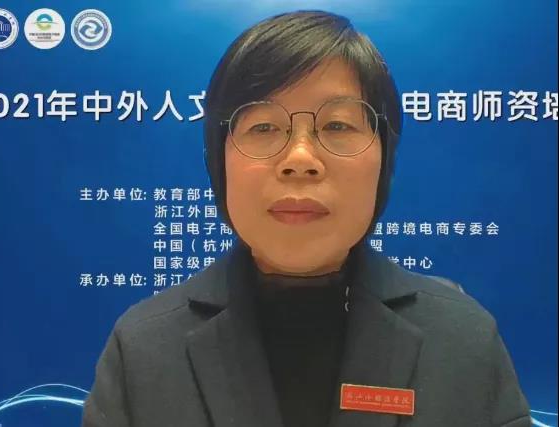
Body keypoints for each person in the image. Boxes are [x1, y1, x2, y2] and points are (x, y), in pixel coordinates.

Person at [81, 10, 531, 427]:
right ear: (219, 163)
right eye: (263, 127)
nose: (300, 159)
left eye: (337, 126)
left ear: (384, 161)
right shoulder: (142, 349)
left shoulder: (463, 339)